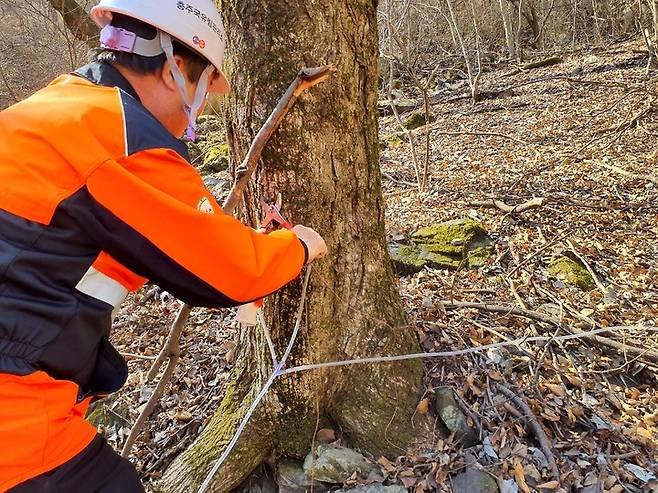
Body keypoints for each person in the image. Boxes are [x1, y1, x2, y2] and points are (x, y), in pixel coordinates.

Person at [0, 0, 327, 491]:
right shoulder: (119, 137)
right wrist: (298, 245)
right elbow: (235, 271)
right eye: (201, 89)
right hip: (15, 420)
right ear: (176, 69)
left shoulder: (52, 107)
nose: (190, 115)